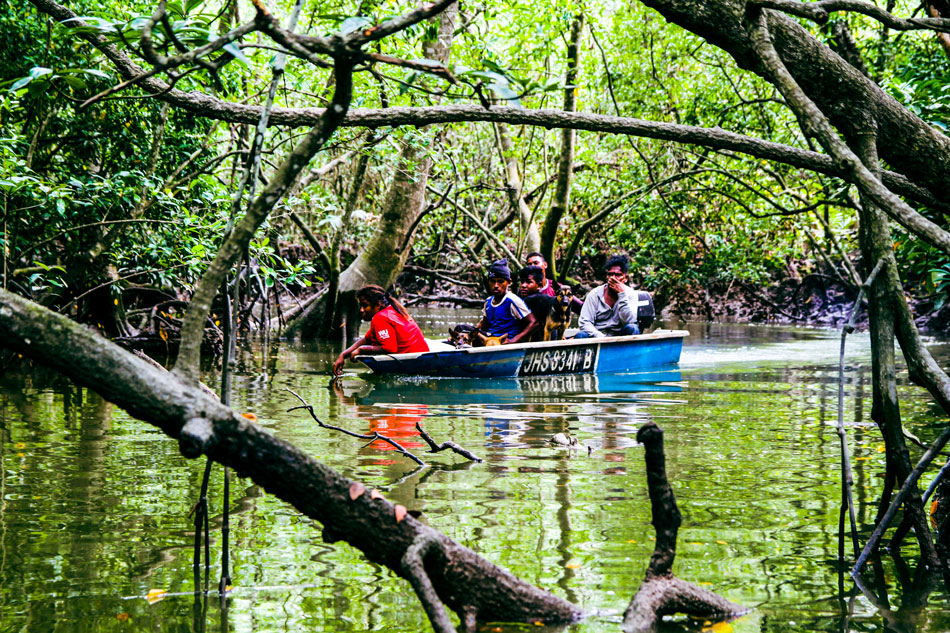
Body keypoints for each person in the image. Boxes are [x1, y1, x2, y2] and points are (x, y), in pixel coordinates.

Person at [333, 285, 429, 375]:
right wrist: (343, 355)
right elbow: (366, 339)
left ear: (378, 304)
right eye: (361, 306)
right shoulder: (392, 310)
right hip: (423, 358)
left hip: (411, 362)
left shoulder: (380, 317)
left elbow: (389, 348)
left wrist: (361, 350)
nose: (361, 310)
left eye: (365, 305)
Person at [576, 254, 640, 338]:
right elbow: (584, 322)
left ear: (625, 278)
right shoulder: (594, 294)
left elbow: (630, 321)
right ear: (606, 276)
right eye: (610, 274)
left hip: (620, 337)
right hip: (597, 337)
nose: (613, 278)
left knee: (633, 328)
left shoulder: (631, 294)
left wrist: (622, 294)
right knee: (581, 335)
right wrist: (601, 337)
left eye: (617, 275)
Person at [474, 259, 536, 344]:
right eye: (492, 281)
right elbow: (483, 327)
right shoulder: (488, 301)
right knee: (462, 329)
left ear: (509, 282)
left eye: (500, 281)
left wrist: (513, 341)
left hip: (504, 341)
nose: (496, 285)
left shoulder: (512, 300)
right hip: (490, 339)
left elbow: (534, 323)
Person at [517, 265, 553, 342]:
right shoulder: (519, 297)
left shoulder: (541, 299)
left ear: (539, 285)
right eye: (522, 282)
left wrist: (514, 340)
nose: (523, 285)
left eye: (529, 282)